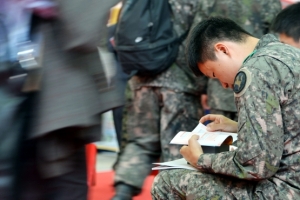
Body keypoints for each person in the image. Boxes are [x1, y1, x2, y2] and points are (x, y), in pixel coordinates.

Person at [151, 17, 300, 199]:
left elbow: (256, 166)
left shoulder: (255, 70)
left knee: (166, 181)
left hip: (285, 189)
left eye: (214, 74)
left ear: (222, 49)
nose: (223, 85)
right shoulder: (288, 53)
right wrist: (239, 126)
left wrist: (199, 159)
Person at [0, 0, 122, 199]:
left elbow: (83, 31)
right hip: (43, 86)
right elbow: (84, 30)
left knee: (60, 175)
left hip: (52, 90)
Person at [112, 0, 206, 199]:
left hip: (141, 77)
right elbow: (203, 38)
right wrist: (206, 85)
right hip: (180, 83)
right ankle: (174, 194)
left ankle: (122, 192)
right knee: (179, 146)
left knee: (139, 141)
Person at [199, 0, 281, 122]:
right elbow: (277, 40)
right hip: (257, 88)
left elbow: (200, 46)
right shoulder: (268, 2)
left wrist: (202, 88)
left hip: (221, 92)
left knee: (220, 135)